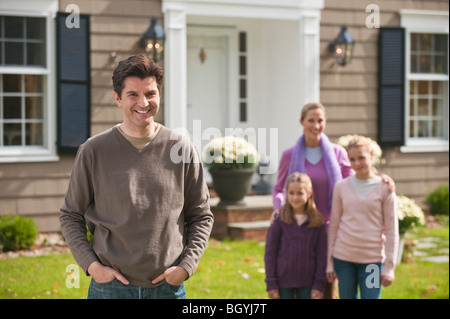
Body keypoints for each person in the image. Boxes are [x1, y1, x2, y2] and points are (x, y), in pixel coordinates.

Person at [59, 55, 214, 299]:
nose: (143, 102)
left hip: (167, 288)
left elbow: (201, 216)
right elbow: (71, 215)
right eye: (133, 94)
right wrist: (92, 266)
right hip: (109, 288)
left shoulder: (182, 149)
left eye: (150, 93)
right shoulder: (93, 151)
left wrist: (186, 267)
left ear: (159, 96)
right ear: (118, 98)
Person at [326, 135, 399, 299]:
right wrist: (329, 261)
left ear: (371, 155)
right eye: (352, 159)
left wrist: (389, 267)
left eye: (361, 158)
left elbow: (392, 230)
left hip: (372, 261)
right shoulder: (341, 187)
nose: (356, 163)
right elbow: (334, 225)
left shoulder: (385, 187)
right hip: (343, 260)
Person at [265, 172, 327, 299]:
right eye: (291, 193)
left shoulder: (317, 223)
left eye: (300, 193)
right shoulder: (279, 221)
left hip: (308, 284)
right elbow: (270, 254)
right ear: (286, 194)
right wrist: (271, 283)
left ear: (309, 193)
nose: (295, 197)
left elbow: (322, 256)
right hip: (283, 283)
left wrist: (319, 284)